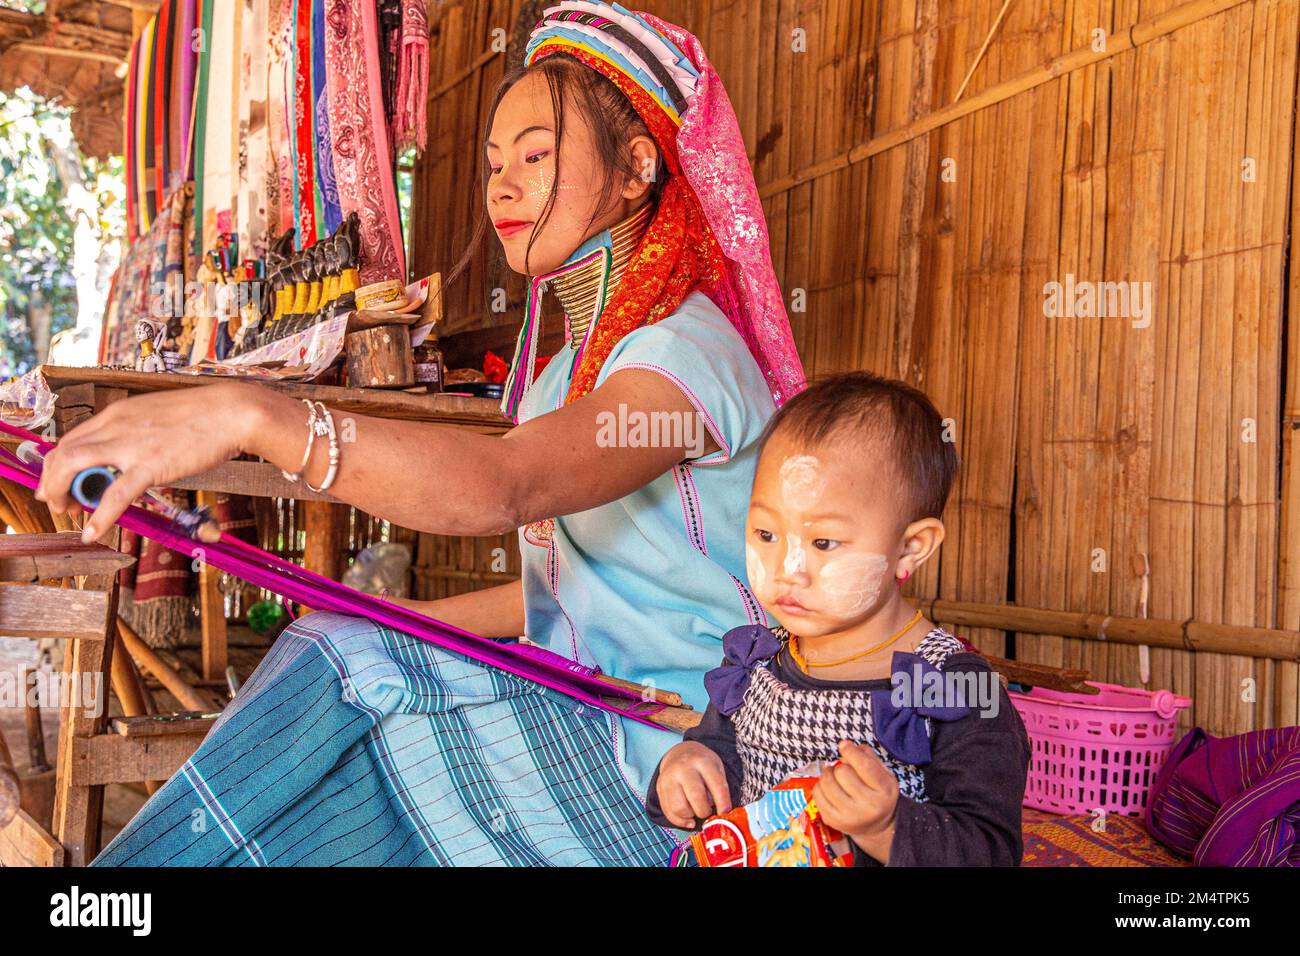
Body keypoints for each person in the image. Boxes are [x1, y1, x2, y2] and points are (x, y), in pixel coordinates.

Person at [40, 3, 805, 866]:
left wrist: (248, 414)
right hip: (601, 702)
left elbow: (504, 485)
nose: (504, 185)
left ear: (637, 168)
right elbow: (576, 593)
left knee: (347, 714)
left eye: (536, 156)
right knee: (333, 645)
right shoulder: (563, 377)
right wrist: (398, 617)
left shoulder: (683, 354)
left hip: (696, 741)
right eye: (493, 164)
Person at [647, 373, 1029, 866]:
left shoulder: (955, 690)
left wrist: (886, 828)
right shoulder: (755, 662)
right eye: (765, 533)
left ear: (910, 548)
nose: (787, 569)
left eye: (823, 542)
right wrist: (683, 769)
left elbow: (989, 851)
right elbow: (714, 764)